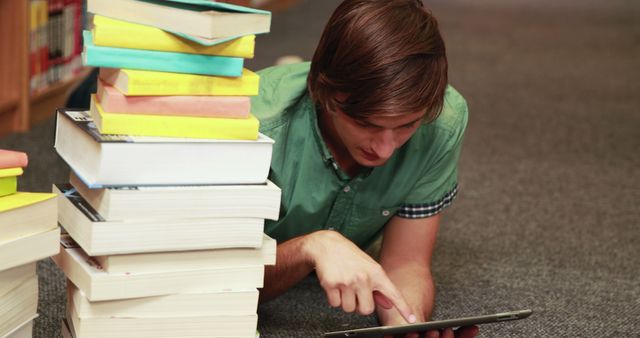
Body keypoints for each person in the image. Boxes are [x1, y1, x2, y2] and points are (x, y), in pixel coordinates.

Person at [252, 1, 477, 337]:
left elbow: (407, 262)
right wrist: (310, 247)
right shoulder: (254, 125)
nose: (386, 149)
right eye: (366, 124)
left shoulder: (442, 120)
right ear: (324, 94)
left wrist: (405, 325)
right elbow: (210, 283)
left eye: (406, 126)